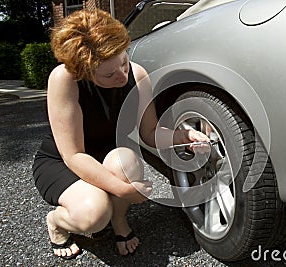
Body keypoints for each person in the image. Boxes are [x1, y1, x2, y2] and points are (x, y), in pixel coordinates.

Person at [32, 8, 209, 260]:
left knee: (126, 159)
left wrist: (183, 137)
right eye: (109, 74)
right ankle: (57, 223)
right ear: (85, 71)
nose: (122, 75)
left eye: (123, 62)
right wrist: (123, 190)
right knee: (93, 215)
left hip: (112, 156)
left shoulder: (137, 74)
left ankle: (119, 221)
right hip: (65, 161)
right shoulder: (64, 79)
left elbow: (150, 132)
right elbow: (74, 155)